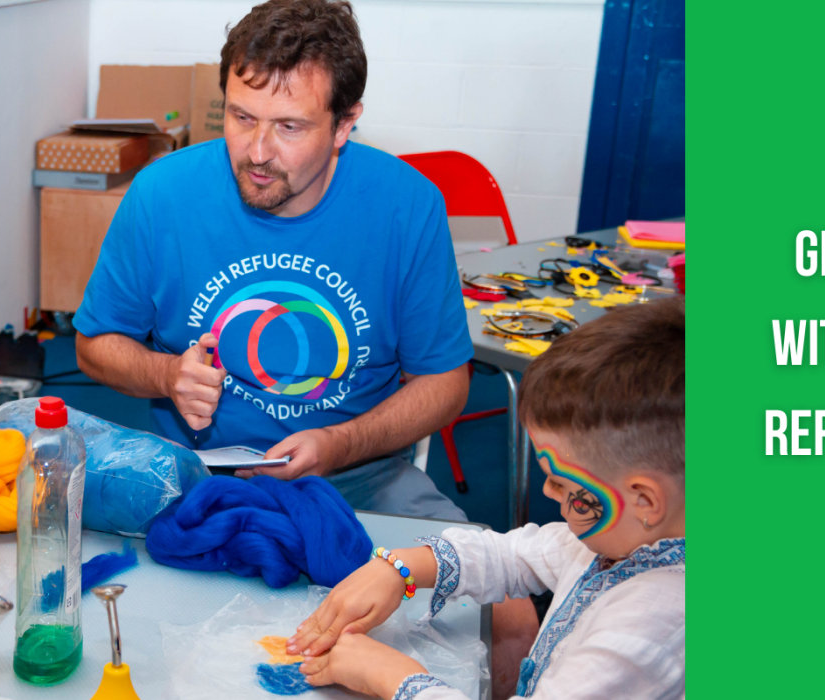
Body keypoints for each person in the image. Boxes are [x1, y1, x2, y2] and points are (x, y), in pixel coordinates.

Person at [74, 0, 473, 521]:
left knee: (475, 583)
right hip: (189, 474)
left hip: (355, 474)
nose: (256, 151)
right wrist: (166, 373)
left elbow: (445, 382)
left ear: (344, 124)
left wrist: (340, 444)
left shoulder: (407, 206)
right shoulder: (161, 193)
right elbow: (93, 346)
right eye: (241, 117)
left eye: (289, 127)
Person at [289, 297, 687, 700]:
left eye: (566, 487)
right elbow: (513, 555)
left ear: (645, 500)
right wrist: (401, 567)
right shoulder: (623, 537)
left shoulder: (647, 629)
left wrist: (392, 677)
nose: (548, 492)